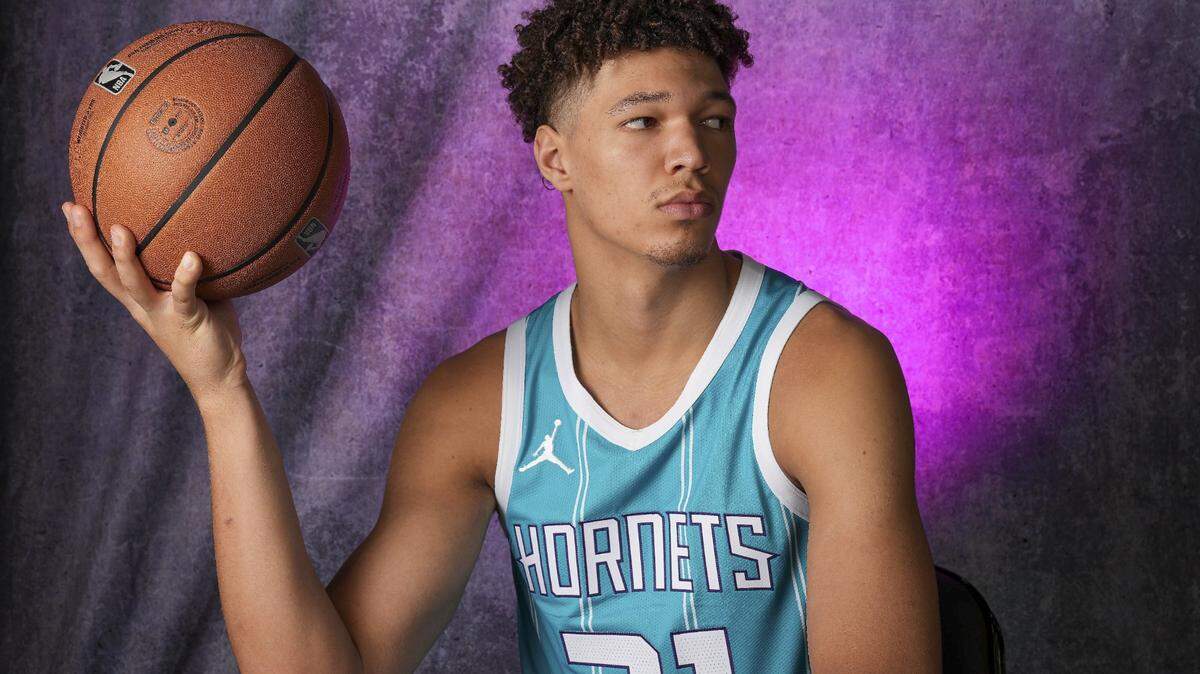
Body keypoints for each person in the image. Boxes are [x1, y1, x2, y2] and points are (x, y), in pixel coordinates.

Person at [63, 1, 941, 671]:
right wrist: (222, 393)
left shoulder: (824, 371)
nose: (691, 153)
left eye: (713, 120)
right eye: (644, 122)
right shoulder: (480, 401)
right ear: (555, 158)